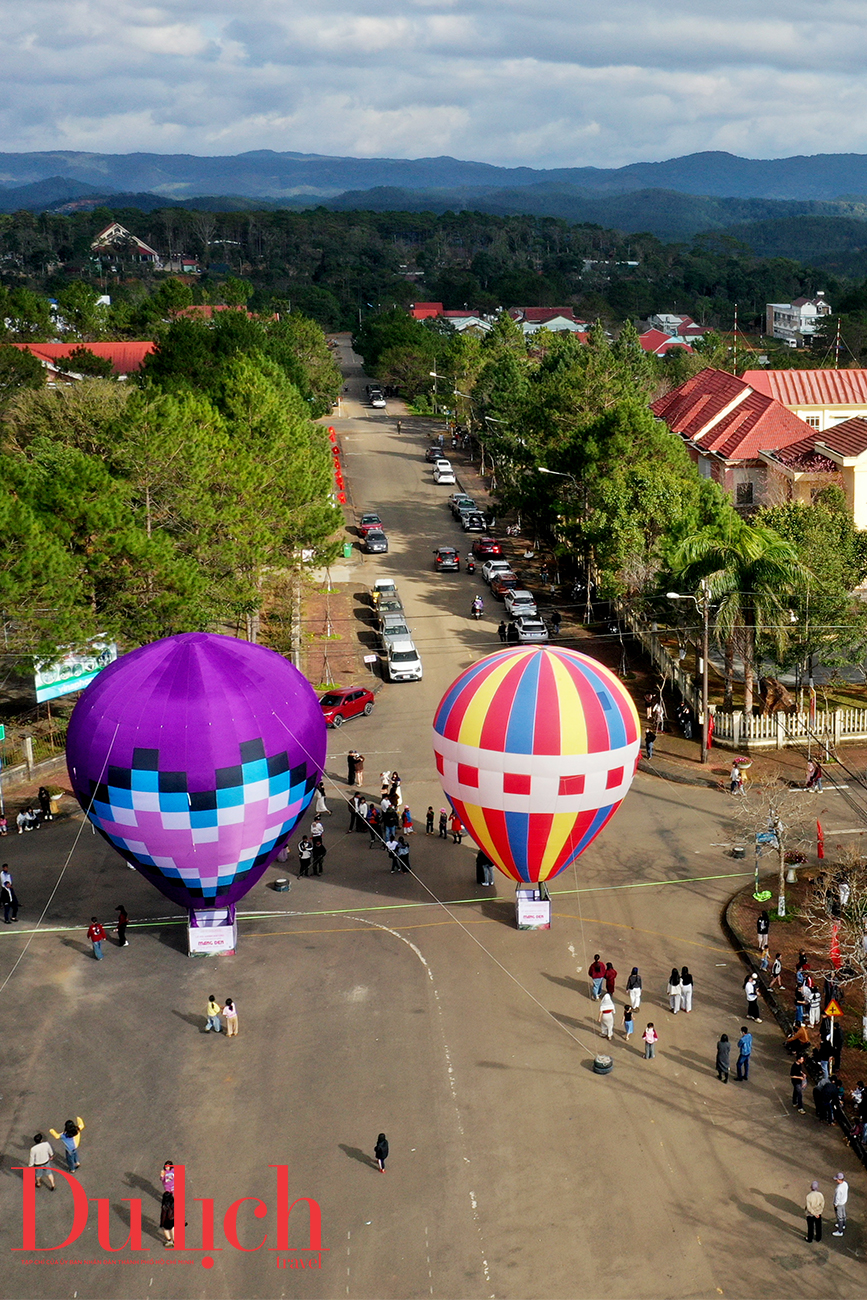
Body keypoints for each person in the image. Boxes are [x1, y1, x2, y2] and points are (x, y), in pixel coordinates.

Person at [160, 1161, 175, 1246]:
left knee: (167, 1228)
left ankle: (170, 1241)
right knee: (172, 1228)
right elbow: (162, 1179)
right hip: (167, 1187)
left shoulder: (164, 1207)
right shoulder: (164, 1172)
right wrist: (162, 1176)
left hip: (173, 1186)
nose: (167, 1167)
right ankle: (173, 1241)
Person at [833, 1172, 849, 1237]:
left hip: (839, 1204)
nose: (836, 1180)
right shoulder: (845, 1184)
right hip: (844, 1202)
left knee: (839, 1217)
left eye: (837, 1179)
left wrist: (835, 1204)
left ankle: (840, 1231)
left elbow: (837, 1198)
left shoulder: (839, 1189)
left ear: (839, 1180)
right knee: (843, 1214)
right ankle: (843, 1225)